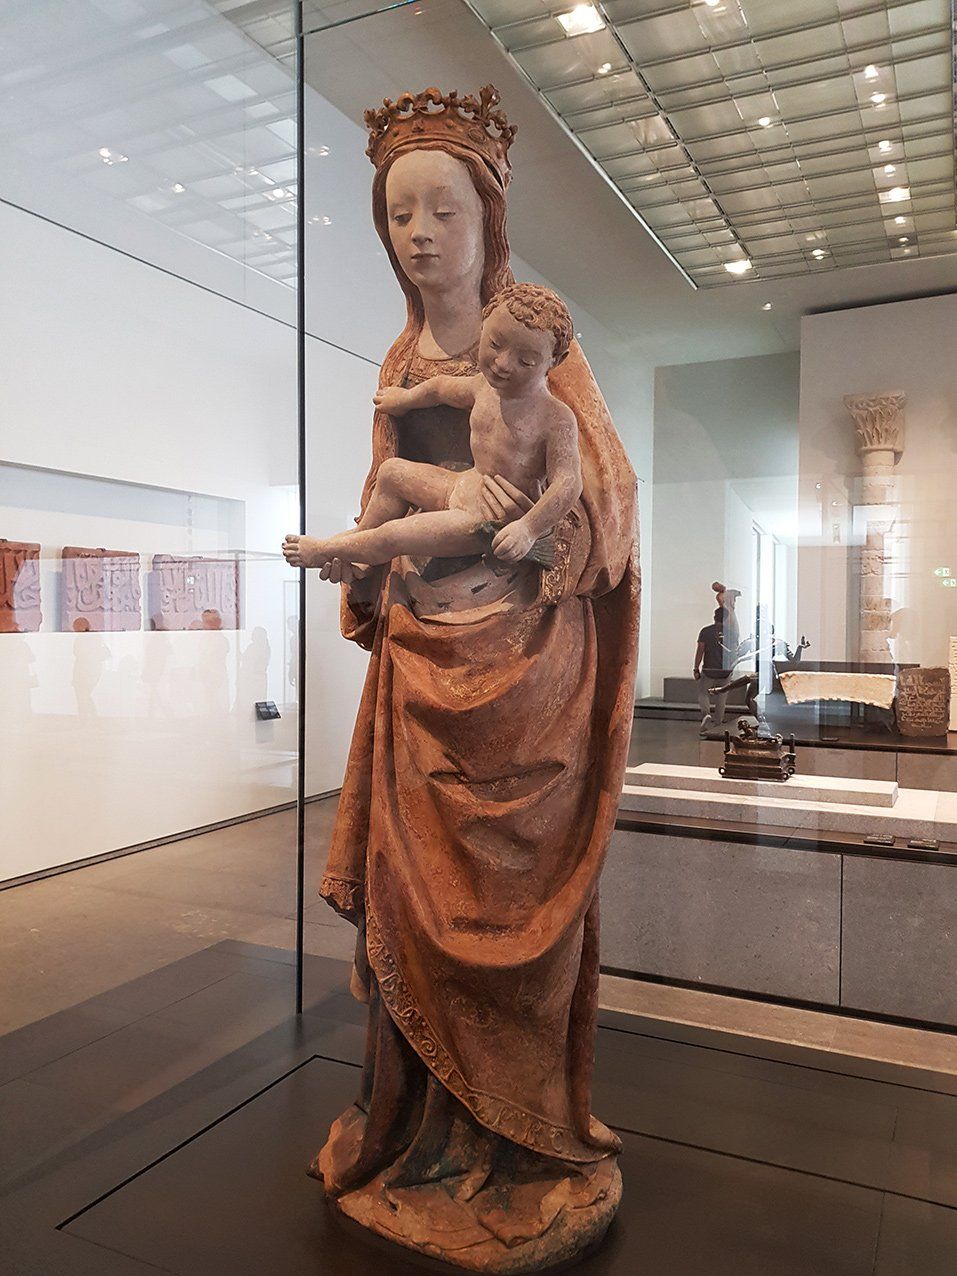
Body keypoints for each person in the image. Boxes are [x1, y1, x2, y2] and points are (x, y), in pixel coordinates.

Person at [292, 85, 639, 1269]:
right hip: (423, 667)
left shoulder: (540, 348)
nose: (421, 234)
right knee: (416, 907)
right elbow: (383, 490)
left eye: (444, 209)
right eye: (400, 214)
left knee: (509, 908)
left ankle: (519, 1146)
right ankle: (415, 1133)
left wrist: (534, 530)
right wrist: (365, 569)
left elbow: (606, 502)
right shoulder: (404, 358)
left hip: (526, 674)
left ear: (491, 217)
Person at [282, 284, 581, 570]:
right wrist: (405, 400)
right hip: (466, 484)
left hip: (486, 516)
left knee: (395, 535)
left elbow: (568, 483)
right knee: (391, 472)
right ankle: (359, 547)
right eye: (494, 344)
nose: (502, 364)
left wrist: (527, 529)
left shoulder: (555, 418)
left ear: (555, 360)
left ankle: (326, 550)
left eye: (525, 361)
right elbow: (439, 389)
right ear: (483, 326)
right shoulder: (483, 387)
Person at [694, 605, 735, 735]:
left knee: (703, 693)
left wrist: (696, 668)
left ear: (714, 617)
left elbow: (700, 651)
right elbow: (735, 653)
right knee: (721, 698)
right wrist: (732, 669)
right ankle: (718, 723)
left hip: (709, 670)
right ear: (726, 618)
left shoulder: (705, 631)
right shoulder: (732, 633)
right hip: (725, 671)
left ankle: (706, 714)